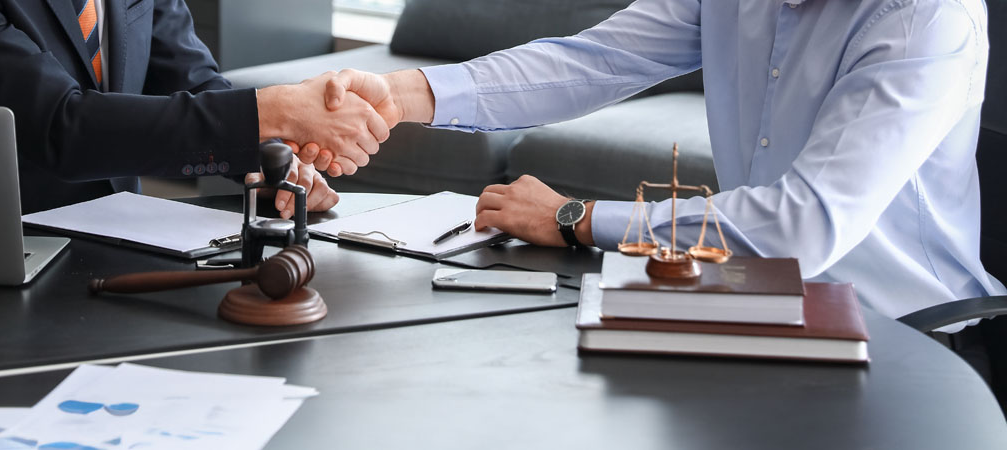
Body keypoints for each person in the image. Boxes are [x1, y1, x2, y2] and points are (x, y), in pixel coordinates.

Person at [312, 0, 1006, 334]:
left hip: (912, 336)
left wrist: (575, 218)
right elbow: (593, 61)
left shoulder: (925, 19)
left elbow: (804, 225)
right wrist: (403, 95)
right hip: (755, 305)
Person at [0, 0, 387, 216]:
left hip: (125, 233)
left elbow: (189, 77)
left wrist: (264, 156)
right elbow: (62, 127)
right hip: (4, 260)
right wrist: (270, 109)